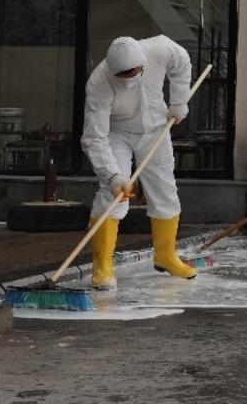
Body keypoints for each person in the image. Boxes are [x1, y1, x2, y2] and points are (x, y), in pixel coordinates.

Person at [81, 35, 195, 290]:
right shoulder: (98, 84)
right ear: (113, 71)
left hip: (156, 128)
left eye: (135, 72)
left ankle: (166, 256)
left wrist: (179, 101)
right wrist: (112, 176)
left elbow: (183, 63)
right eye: (125, 75)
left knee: (165, 192)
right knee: (112, 196)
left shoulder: (159, 49)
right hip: (116, 133)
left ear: (143, 63)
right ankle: (102, 267)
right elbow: (94, 137)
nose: (131, 77)